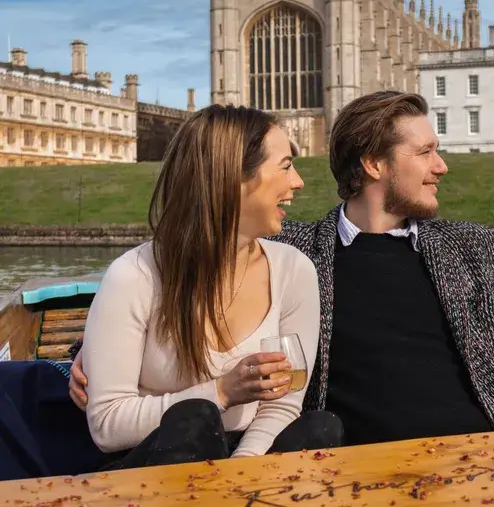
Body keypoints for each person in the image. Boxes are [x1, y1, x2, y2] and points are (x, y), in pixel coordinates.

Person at [70, 91, 494, 448]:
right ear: (373, 164)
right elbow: (178, 275)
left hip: (490, 454)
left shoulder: (474, 249)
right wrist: (84, 360)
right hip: (354, 466)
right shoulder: (295, 253)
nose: (442, 166)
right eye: (424, 152)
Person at [76, 104, 342, 470]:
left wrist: (240, 474)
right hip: (159, 462)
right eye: (284, 166)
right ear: (233, 178)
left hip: (250, 458)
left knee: (321, 427)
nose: (297, 181)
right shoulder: (134, 275)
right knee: (196, 420)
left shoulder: (294, 270)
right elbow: (106, 425)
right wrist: (221, 392)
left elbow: (282, 404)